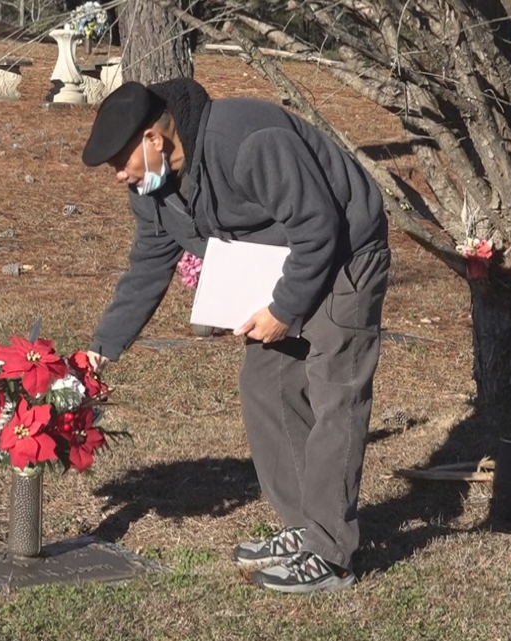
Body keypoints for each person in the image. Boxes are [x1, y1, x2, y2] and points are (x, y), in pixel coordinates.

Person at [80, 78, 390, 593]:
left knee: (336, 389)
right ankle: (303, 527)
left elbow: (318, 227)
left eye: (120, 160)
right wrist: (101, 350)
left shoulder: (247, 141)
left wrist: (283, 310)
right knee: (266, 385)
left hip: (345, 252)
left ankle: (332, 555)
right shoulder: (153, 189)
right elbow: (147, 267)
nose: (117, 176)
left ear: (153, 140)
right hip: (280, 260)